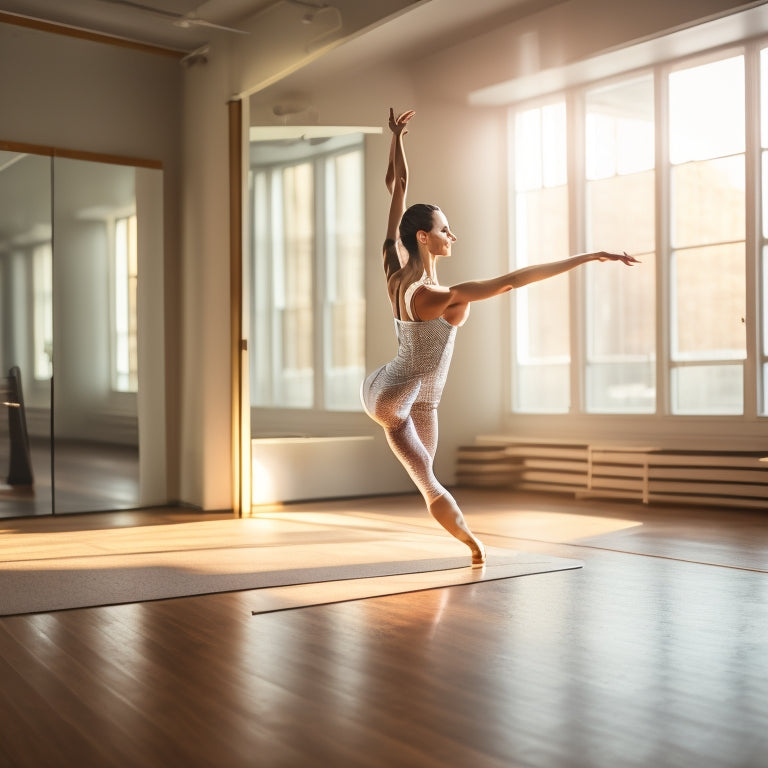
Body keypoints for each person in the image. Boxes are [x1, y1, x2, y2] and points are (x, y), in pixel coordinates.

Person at [361, 108, 639, 567]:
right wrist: (589, 256)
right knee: (428, 479)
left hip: (417, 397)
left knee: (427, 464)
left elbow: (398, 188)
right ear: (426, 238)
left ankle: (466, 540)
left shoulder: (394, 261)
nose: (455, 234)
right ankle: (474, 547)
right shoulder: (438, 295)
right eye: (445, 229)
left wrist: (397, 138)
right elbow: (513, 281)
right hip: (393, 396)